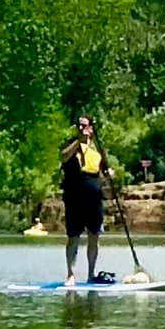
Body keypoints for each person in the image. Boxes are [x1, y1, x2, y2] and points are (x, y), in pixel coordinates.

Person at [59, 115, 115, 285]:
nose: (81, 128)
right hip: (75, 196)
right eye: (79, 126)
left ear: (91, 128)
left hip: (94, 197)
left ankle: (91, 274)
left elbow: (105, 169)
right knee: (74, 236)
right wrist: (78, 141)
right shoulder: (71, 144)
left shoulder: (97, 149)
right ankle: (70, 274)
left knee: (94, 235)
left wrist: (109, 173)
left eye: (84, 126)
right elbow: (62, 157)